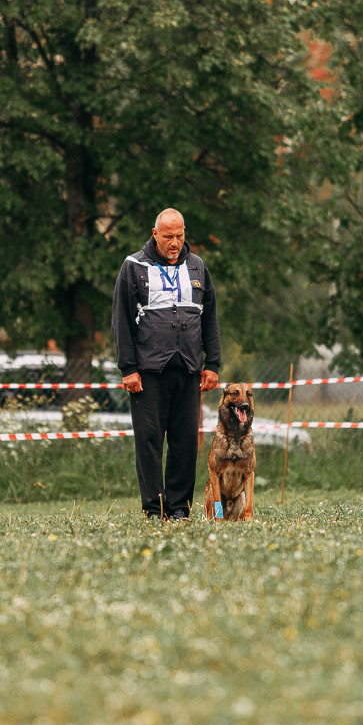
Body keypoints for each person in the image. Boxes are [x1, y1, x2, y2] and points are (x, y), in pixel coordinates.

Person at [112, 208, 221, 519]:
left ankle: (179, 509)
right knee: (148, 442)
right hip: (147, 372)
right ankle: (153, 508)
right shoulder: (133, 266)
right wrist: (128, 369)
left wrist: (212, 363)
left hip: (188, 369)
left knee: (185, 441)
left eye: (180, 236)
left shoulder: (198, 266)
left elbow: (210, 317)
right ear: (155, 233)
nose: (175, 243)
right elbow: (120, 320)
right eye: (168, 236)